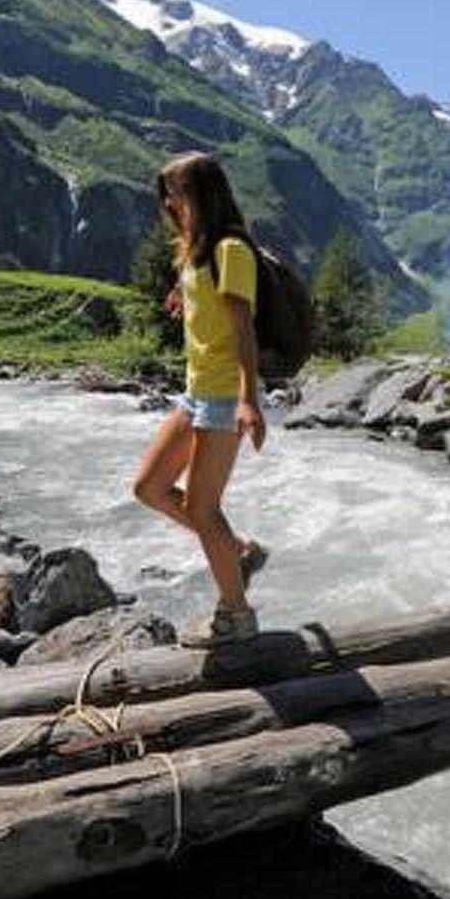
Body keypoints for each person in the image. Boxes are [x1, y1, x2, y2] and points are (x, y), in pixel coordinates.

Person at [131, 151, 271, 648]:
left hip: (221, 397)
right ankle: (240, 552)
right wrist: (182, 291)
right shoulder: (197, 248)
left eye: (176, 193)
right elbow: (204, 295)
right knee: (149, 487)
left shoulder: (231, 249)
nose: (169, 202)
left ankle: (237, 616)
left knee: (202, 508)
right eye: (166, 194)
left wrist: (248, 401)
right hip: (194, 393)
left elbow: (243, 330)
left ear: (201, 195)